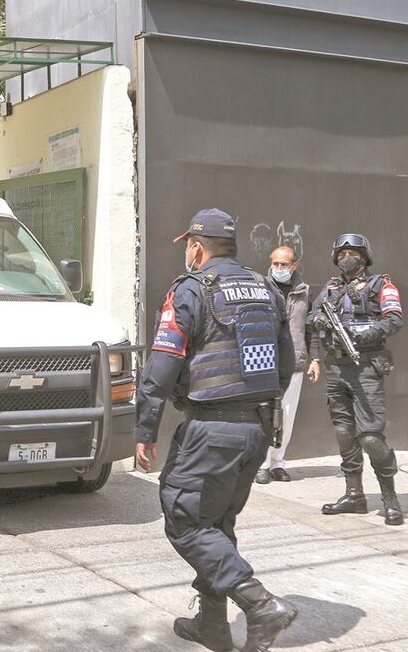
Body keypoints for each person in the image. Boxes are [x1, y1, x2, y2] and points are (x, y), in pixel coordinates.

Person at [135, 208, 298, 652]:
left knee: (186, 521)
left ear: (196, 247)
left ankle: (260, 604)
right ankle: (212, 626)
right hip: (256, 429)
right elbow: (286, 365)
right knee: (216, 525)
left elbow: (160, 370)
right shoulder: (266, 289)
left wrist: (145, 430)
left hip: (212, 429)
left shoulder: (191, 290)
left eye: (188, 246)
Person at [307, 233, 404, 525]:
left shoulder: (381, 285)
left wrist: (365, 334)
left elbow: (394, 319)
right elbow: (311, 318)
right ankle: (354, 496)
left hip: (366, 367)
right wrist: (319, 320)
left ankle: (390, 499)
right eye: (342, 253)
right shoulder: (331, 288)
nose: (347, 257)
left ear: (364, 257)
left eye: (353, 253)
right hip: (335, 367)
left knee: (370, 437)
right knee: (344, 432)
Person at [255, 245, 310, 484]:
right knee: (264, 414)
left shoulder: (304, 292)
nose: (278, 268)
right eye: (275, 263)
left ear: (294, 265)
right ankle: (262, 465)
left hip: (294, 361)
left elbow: (309, 328)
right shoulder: (260, 288)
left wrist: (314, 359)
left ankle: (278, 463)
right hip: (265, 360)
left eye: (283, 264)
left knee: (287, 415)